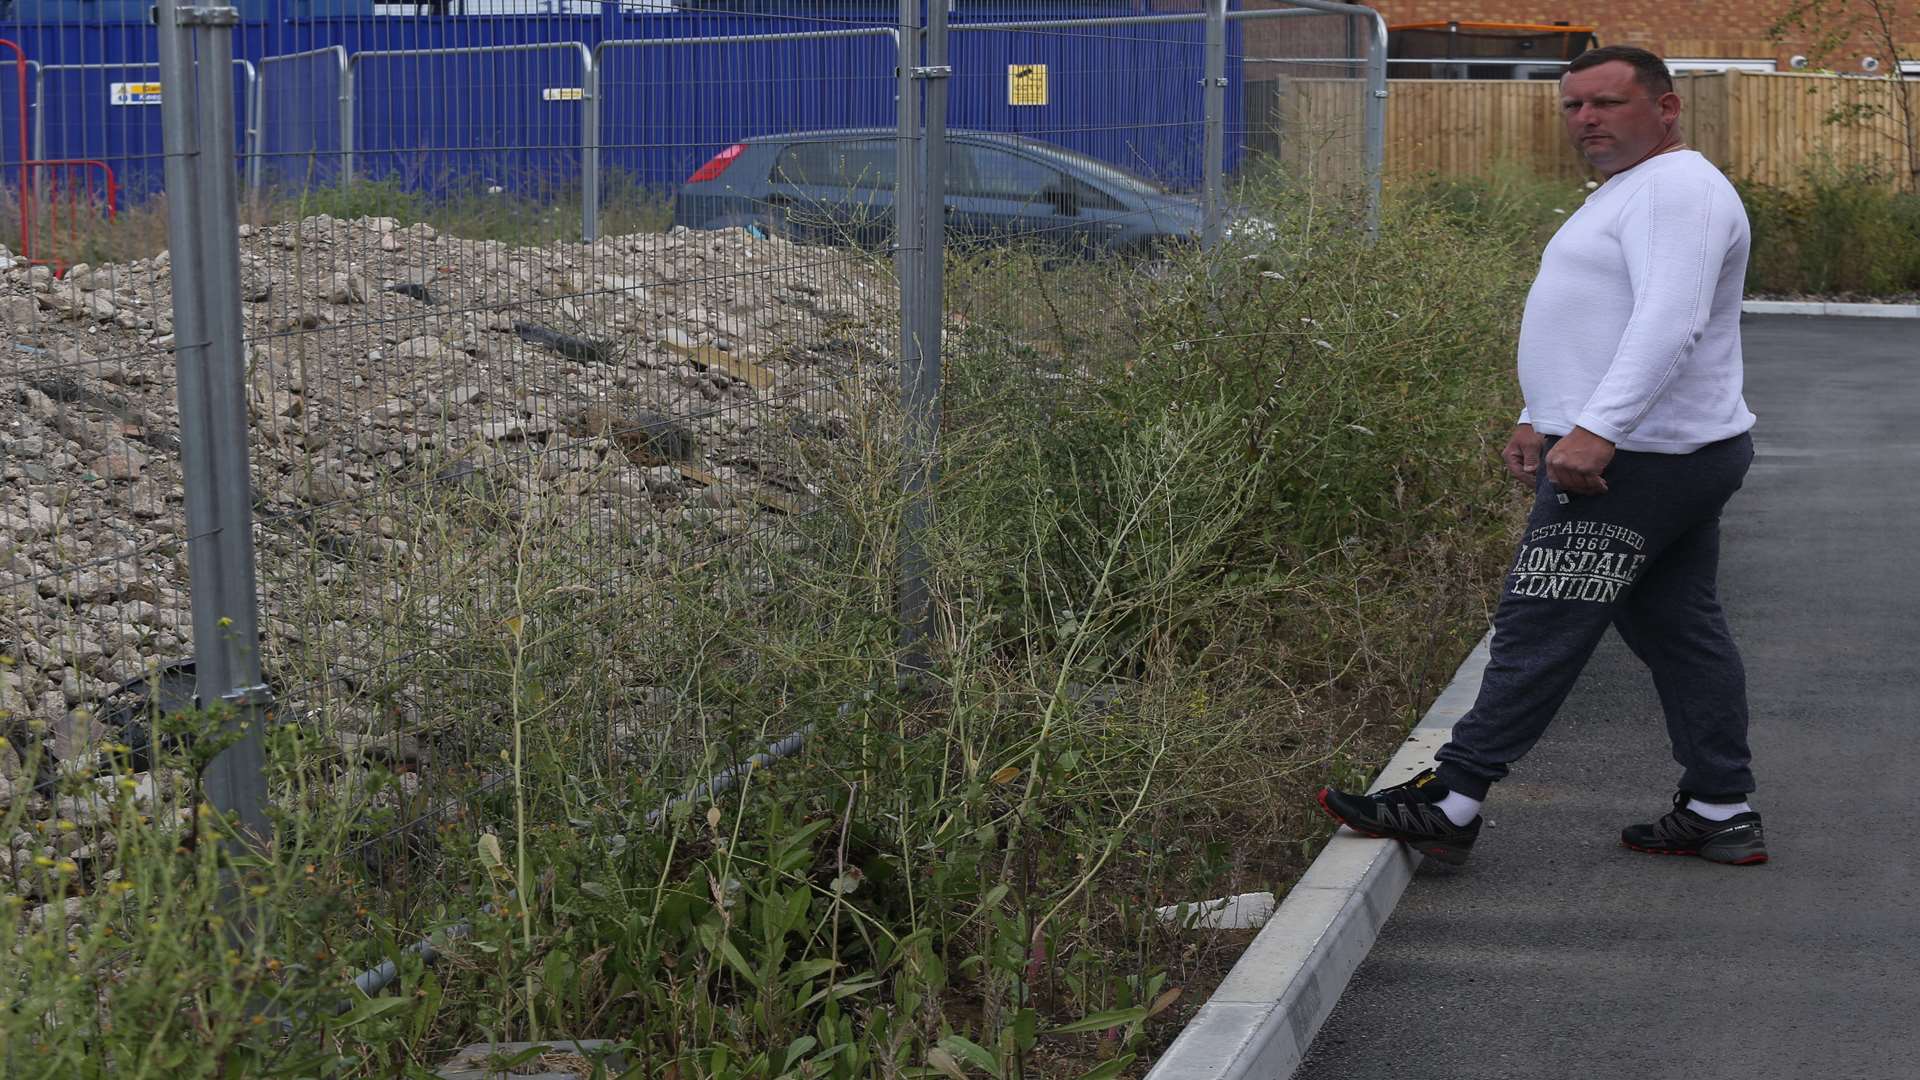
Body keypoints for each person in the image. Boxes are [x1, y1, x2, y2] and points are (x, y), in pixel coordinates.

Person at [1317, 45, 1766, 868]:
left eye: (1609, 104)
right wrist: (1541, 415)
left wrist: (1596, 430)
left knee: (1540, 621)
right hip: (1649, 449)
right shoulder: (1635, 190)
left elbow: (1669, 320)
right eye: (1574, 107)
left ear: (1665, 109)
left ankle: (1452, 800)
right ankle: (1719, 804)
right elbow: (1596, 318)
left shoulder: (1678, 189)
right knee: (1678, 629)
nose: (1588, 121)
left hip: (1639, 459)